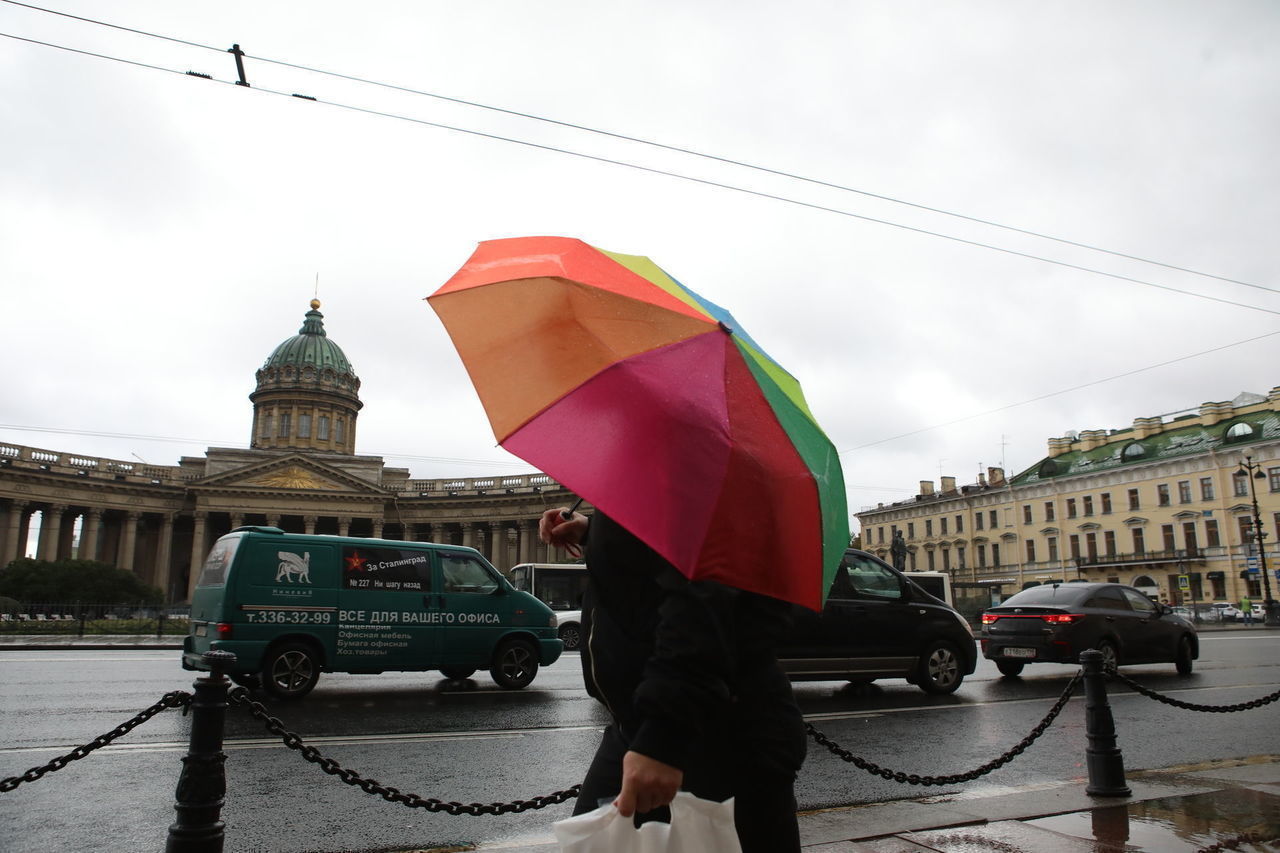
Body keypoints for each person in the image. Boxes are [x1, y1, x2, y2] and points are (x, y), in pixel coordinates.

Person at [539, 507, 807, 853]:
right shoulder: (651, 468)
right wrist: (592, 532)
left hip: (710, 729)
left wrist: (663, 738)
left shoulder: (695, 461)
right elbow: (658, 551)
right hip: (641, 720)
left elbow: (708, 591)